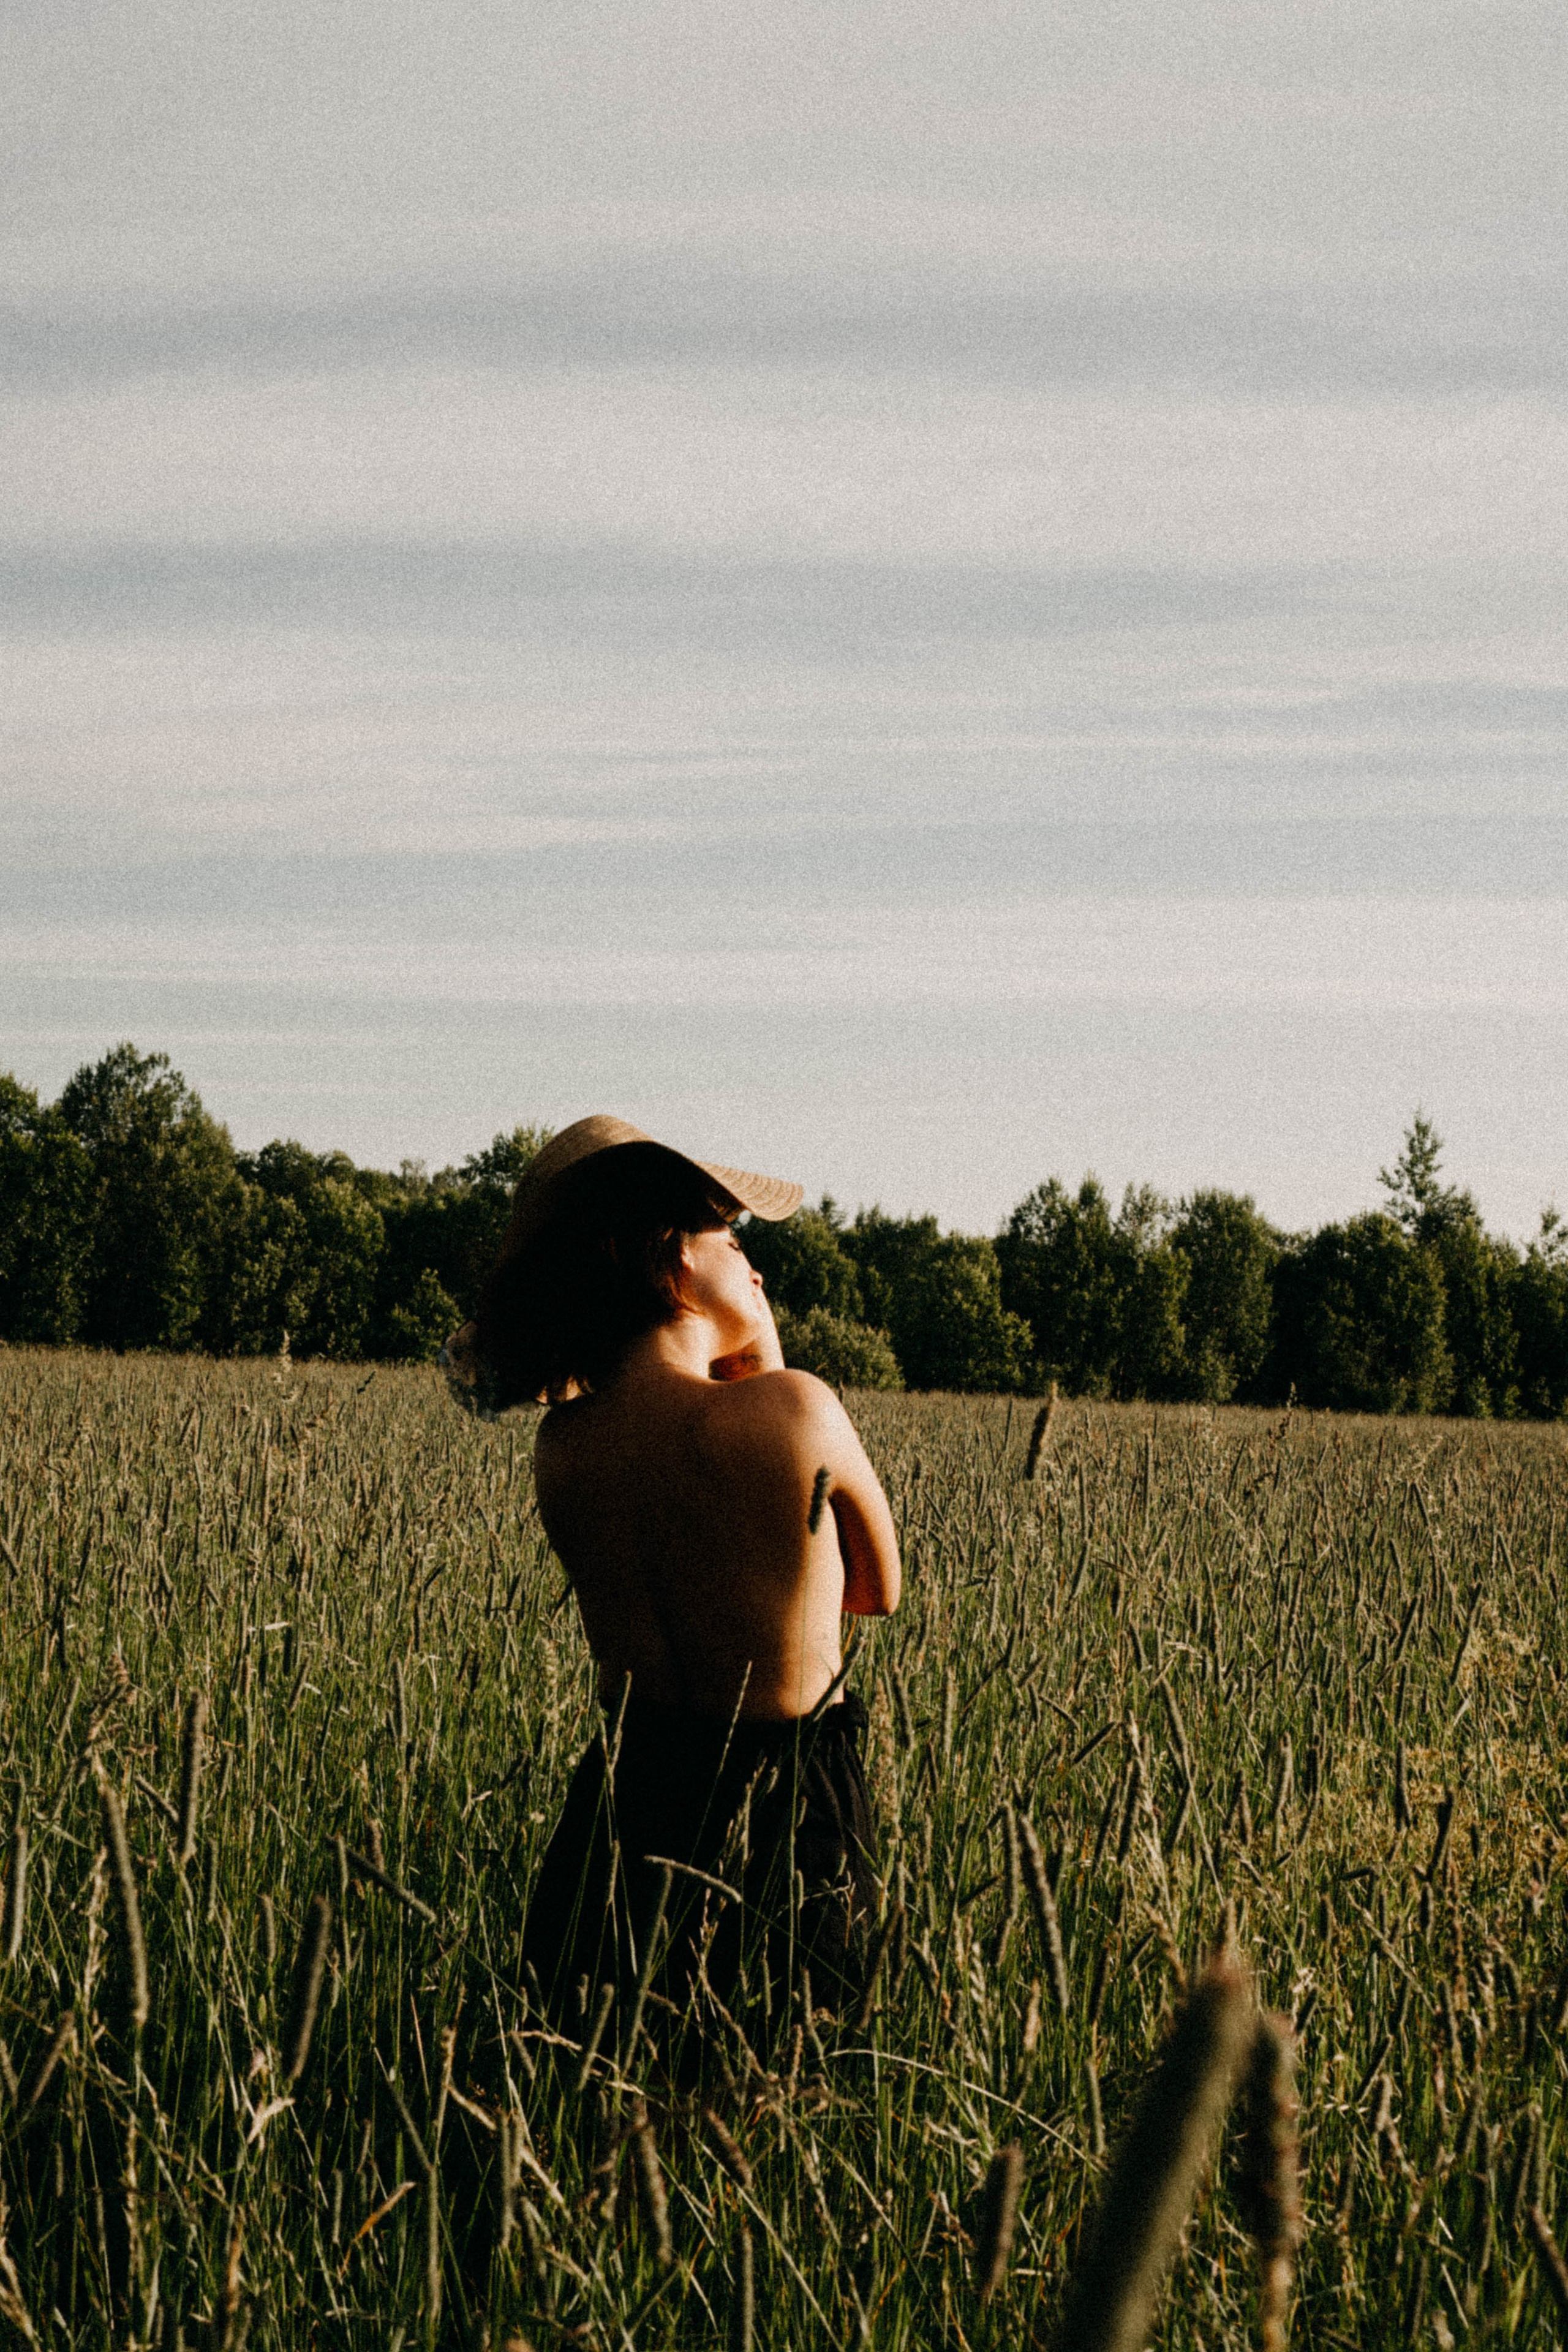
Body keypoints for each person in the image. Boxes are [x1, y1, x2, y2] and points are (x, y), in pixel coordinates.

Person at [456, 1115, 902, 2067]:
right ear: (666, 1259)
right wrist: (770, 1356)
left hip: (627, 1798)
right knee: (774, 2095)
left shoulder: (564, 1448)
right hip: (786, 1807)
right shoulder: (796, 1408)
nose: (757, 1271)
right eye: (733, 1242)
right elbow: (874, 1589)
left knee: (603, 2081)